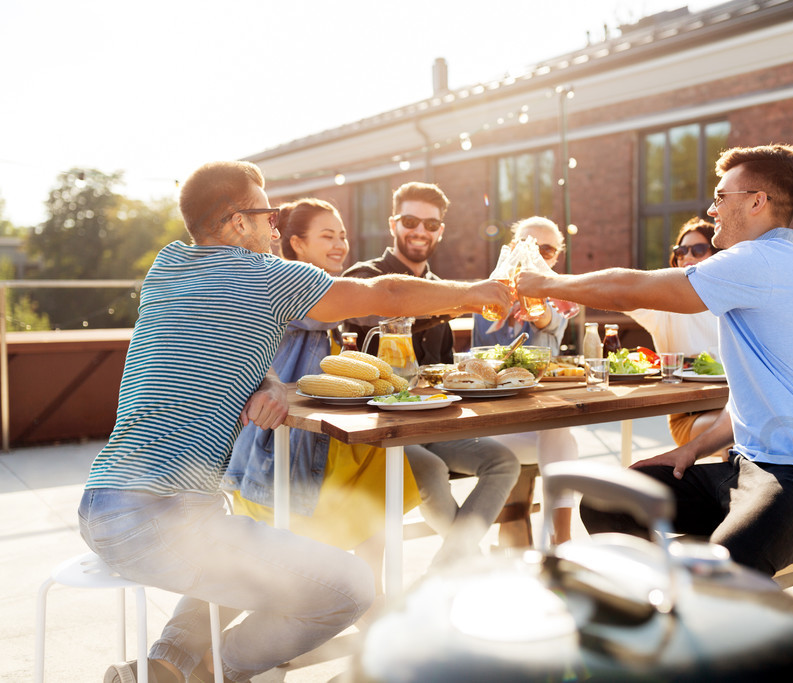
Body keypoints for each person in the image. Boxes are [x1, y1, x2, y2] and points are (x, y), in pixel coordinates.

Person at [80, 161, 511, 683]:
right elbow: (386, 297)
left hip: (105, 503)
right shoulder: (264, 275)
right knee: (349, 588)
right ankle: (207, 676)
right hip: (159, 519)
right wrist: (479, 291)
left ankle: (158, 671)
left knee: (248, 552)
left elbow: (202, 344)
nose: (277, 228)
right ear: (239, 222)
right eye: (270, 214)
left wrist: (264, 382)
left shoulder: (169, 265)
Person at [516, 144, 793, 576]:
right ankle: (654, 607)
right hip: (745, 469)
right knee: (608, 502)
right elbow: (753, 400)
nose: (712, 210)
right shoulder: (777, 267)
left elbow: (631, 288)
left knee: (722, 569)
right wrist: (690, 451)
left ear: (757, 202)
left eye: (720, 197)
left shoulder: (762, 260)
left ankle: (693, 618)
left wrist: (548, 283)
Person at [223, 198, 421, 582]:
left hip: (311, 438)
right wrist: (450, 300)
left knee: (383, 460)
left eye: (343, 235)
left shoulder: (323, 294)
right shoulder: (285, 287)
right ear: (296, 244)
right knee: (272, 575)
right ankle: (357, 594)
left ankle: (369, 590)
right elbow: (360, 306)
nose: (340, 244)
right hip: (277, 447)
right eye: (327, 236)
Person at [342, 181, 520, 567]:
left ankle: (447, 568)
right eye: (410, 220)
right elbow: (380, 310)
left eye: (431, 224)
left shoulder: (444, 289)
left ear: (441, 230)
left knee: (505, 461)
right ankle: (469, 565)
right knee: (433, 471)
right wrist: (460, 301)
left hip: (430, 422)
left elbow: (445, 369)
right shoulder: (366, 276)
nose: (420, 230)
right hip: (377, 428)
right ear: (393, 223)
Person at [472, 216, 579, 545]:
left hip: (538, 420)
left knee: (557, 427)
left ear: (555, 257)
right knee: (560, 437)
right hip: (497, 422)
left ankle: (561, 542)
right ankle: (546, 547)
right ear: (513, 249)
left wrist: (535, 304)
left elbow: (548, 319)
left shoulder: (559, 294)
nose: (535, 253)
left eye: (544, 248)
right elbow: (479, 358)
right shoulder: (490, 294)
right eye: (526, 245)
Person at [625, 217, 725, 449]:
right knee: (746, 430)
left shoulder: (734, 304)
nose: (687, 257)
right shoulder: (664, 305)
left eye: (698, 250)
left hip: (735, 408)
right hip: (690, 416)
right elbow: (624, 296)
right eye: (681, 251)